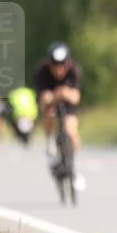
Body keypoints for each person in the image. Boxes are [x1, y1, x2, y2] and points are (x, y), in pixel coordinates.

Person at [35, 42, 86, 191]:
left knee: (71, 130)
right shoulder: (42, 71)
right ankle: (50, 142)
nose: (59, 69)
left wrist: (64, 93)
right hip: (50, 101)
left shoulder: (75, 70)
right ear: (49, 64)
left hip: (67, 103)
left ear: (68, 62)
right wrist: (55, 96)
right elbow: (44, 97)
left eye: (63, 65)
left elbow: (76, 97)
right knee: (49, 113)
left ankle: (74, 168)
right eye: (55, 65)